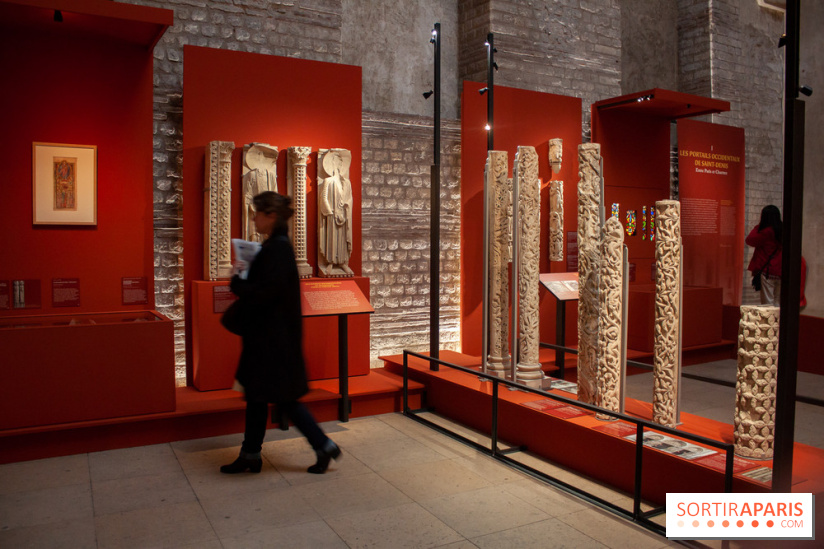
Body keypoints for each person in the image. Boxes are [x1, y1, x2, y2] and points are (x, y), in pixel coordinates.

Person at [221, 191, 341, 474]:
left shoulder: (277, 249)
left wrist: (237, 282)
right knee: (260, 396)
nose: (254, 219)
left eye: (257, 214)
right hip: (272, 338)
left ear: (270, 216)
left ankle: (321, 445)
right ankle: (253, 453)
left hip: (270, 341)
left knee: (275, 397)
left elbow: (265, 294)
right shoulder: (277, 247)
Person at [746, 205, 782, 306]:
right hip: (781, 270)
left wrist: (759, 226)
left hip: (768, 270)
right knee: (778, 301)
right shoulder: (783, 230)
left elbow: (750, 240)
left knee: (768, 302)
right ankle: (778, 321)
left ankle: (770, 321)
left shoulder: (765, 232)